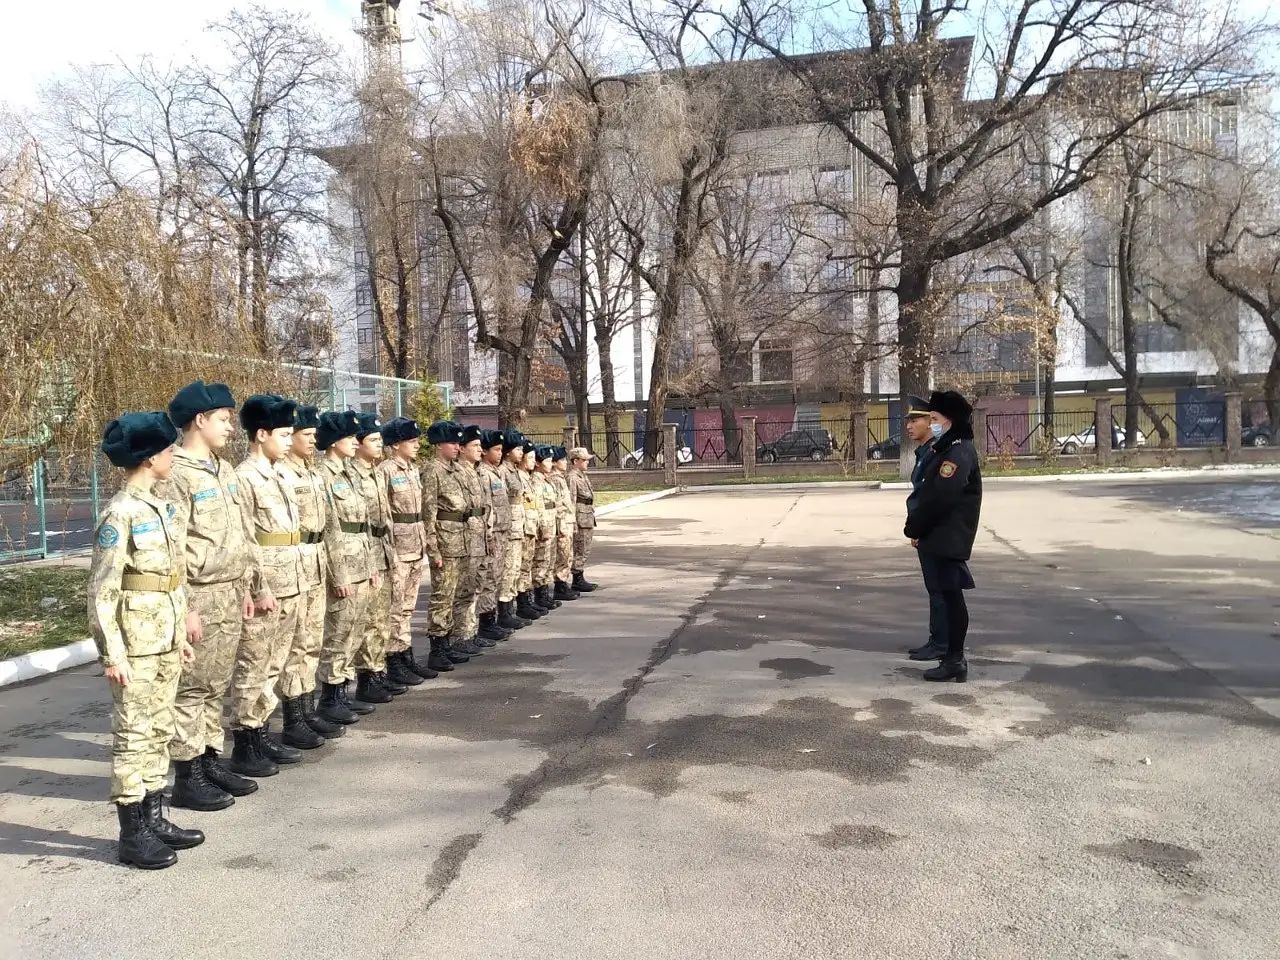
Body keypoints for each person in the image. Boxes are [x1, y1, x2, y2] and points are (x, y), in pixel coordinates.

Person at [89, 411, 204, 869]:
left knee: (159, 730)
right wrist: (111, 653)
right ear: (151, 456)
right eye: (169, 449)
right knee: (133, 736)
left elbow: (171, 579)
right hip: (134, 647)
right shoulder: (120, 512)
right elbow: (102, 591)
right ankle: (132, 833)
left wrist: (180, 636)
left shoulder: (158, 505)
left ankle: (156, 818)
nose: (174, 454)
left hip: (164, 639)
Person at [161, 381, 258, 813]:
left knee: (216, 682)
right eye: (223, 419)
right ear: (199, 420)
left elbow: (242, 532)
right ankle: (187, 774)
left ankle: (208, 758)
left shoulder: (223, 468)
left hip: (229, 590)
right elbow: (172, 548)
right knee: (191, 688)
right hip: (199, 595)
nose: (231, 428)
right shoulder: (176, 474)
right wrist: (184, 609)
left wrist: (250, 587)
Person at [228, 395, 309, 778]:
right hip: (267, 586)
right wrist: (255, 587)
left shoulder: (279, 474)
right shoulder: (245, 478)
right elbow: (246, 540)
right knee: (253, 665)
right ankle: (246, 741)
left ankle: (261, 733)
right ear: (261, 434)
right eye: (284, 433)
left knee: (275, 663)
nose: (289, 440)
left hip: (290, 580)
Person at [274, 404, 345, 743]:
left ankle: (307, 709)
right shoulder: (282, 473)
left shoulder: (313, 473)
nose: (313, 439)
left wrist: (335, 570)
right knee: (295, 646)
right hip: (294, 563)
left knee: (310, 642)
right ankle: (293, 718)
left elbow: (328, 526)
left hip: (316, 561)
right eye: (306, 434)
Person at [904, 390, 983, 683]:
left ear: (949, 421)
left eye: (935, 419)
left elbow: (940, 497)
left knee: (951, 598)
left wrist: (915, 527)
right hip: (940, 536)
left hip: (948, 537)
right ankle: (952, 657)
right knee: (948, 597)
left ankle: (954, 659)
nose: (932, 423)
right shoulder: (949, 448)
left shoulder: (959, 451)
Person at [314, 411, 376, 725]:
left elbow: (362, 523)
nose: (355, 442)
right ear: (336, 442)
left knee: (356, 628)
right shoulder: (324, 474)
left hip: (362, 560)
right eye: (350, 437)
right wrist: (339, 574)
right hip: (343, 566)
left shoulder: (350, 473)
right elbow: (330, 529)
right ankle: (329, 695)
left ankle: (342, 690)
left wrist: (372, 564)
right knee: (337, 632)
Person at [378, 416, 436, 685]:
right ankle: (394, 660)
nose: (416, 445)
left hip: (414, 543)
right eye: (411, 441)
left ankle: (406, 656)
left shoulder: (413, 470)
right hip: (398, 547)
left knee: (409, 608)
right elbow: (385, 515)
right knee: (396, 608)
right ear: (396, 444)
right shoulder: (386, 471)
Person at [350, 413, 402, 704]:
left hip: (383, 549)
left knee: (381, 618)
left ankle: (377, 672)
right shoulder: (354, 475)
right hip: (365, 553)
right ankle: (367, 678)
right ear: (358, 444)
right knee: (369, 620)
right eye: (373, 440)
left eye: (380, 439)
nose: (379, 444)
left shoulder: (373, 472)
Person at [420, 419, 472, 671]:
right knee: (442, 596)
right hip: (444, 541)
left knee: (455, 594)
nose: (457, 447)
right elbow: (428, 513)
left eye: (458, 442)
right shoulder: (433, 471)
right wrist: (433, 549)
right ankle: (437, 648)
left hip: (460, 538)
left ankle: (449, 642)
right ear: (438, 444)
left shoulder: (456, 470)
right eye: (452, 442)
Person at [902, 397, 949, 663]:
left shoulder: (935, 453)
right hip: (926, 530)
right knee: (935, 589)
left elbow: (931, 497)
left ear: (930, 423)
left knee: (939, 589)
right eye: (909, 420)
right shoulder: (924, 452)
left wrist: (920, 528)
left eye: (915, 420)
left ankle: (941, 644)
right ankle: (936, 640)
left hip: (934, 532)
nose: (909, 425)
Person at [450, 425, 490, 655]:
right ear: (462, 449)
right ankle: (460, 635)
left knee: (474, 586)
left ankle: (470, 632)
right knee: (463, 590)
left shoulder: (475, 471)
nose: (480, 450)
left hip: (478, 534)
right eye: (474, 446)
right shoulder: (458, 472)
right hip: (464, 537)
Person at [476, 429, 514, 643]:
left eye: (501, 450)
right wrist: (488, 534)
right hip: (492, 532)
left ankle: (494, 617)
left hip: (502, 530)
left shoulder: (496, 472)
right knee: (489, 579)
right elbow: (487, 506)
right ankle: (486, 621)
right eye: (496, 450)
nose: (500, 454)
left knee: (498, 576)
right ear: (485, 451)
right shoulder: (483, 473)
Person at [497, 430, 530, 630]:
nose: (521, 452)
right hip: (508, 528)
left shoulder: (514, 471)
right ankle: (504, 612)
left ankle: (510, 609)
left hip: (518, 526)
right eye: (517, 449)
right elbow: (501, 503)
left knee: (515, 569)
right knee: (508, 571)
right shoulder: (502, 472)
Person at [516, 445, 548, 621]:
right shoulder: (519, 477)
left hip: (530, 527)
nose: (532, 461)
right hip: (521, 528)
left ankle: (526, 601)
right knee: (521, 567)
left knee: (526, 566)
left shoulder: (526, 478)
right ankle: (522, 603)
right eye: (529, 457)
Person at [531, 446, 561, 612]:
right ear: (538, 463)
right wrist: (541, 527)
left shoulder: (545, 479)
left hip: (551, 523)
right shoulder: (536, 480)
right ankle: (539, 595)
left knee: (548, 560)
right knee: (541, 561)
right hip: (543, 525)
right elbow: (538, 505)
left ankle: (544, 594)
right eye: (547, 461)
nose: (551, 464)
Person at [550, 447, 580, 602]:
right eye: (561, 460)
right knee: (562, 555)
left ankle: (563, 584)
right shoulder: (555, 479)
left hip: (566, 521)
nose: (565, 463)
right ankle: (560, 586)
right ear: (554, 463)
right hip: (561, 522)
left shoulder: (560, 478)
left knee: (567, 554)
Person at [567, 447, 598, 592]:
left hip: (587, 516)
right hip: (580, 518)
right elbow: (571, 500)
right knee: (579, 549)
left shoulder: (582, 475)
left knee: (585, 549)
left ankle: (580, 576)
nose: (587, 463)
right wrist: (572, 521)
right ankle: (577, 579)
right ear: (575, 461)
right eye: (584, 460)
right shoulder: (573, 477)